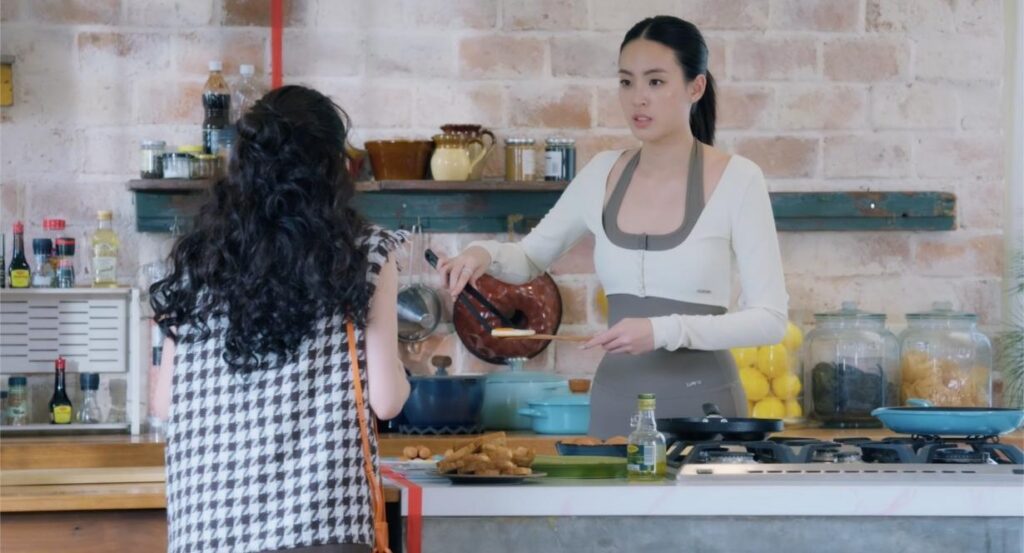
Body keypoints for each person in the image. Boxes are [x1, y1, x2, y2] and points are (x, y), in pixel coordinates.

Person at [438, 16, 788, 438]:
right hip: (613, 410)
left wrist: (662, 330)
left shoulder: (739, 179)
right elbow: (528, 259)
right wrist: (482, 253)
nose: (638, 98)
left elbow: (769, 319)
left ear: (695, 87)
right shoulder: (601, 174)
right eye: (626, 82)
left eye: (655, 82)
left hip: (703, 412)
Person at [151, 85, 409, 553]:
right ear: (332, 167)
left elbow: (165, 403)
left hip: (209, 529)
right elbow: (387, 402)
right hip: (321, 526)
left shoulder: (202, 257)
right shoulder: (363, 252)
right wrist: (402, 375)